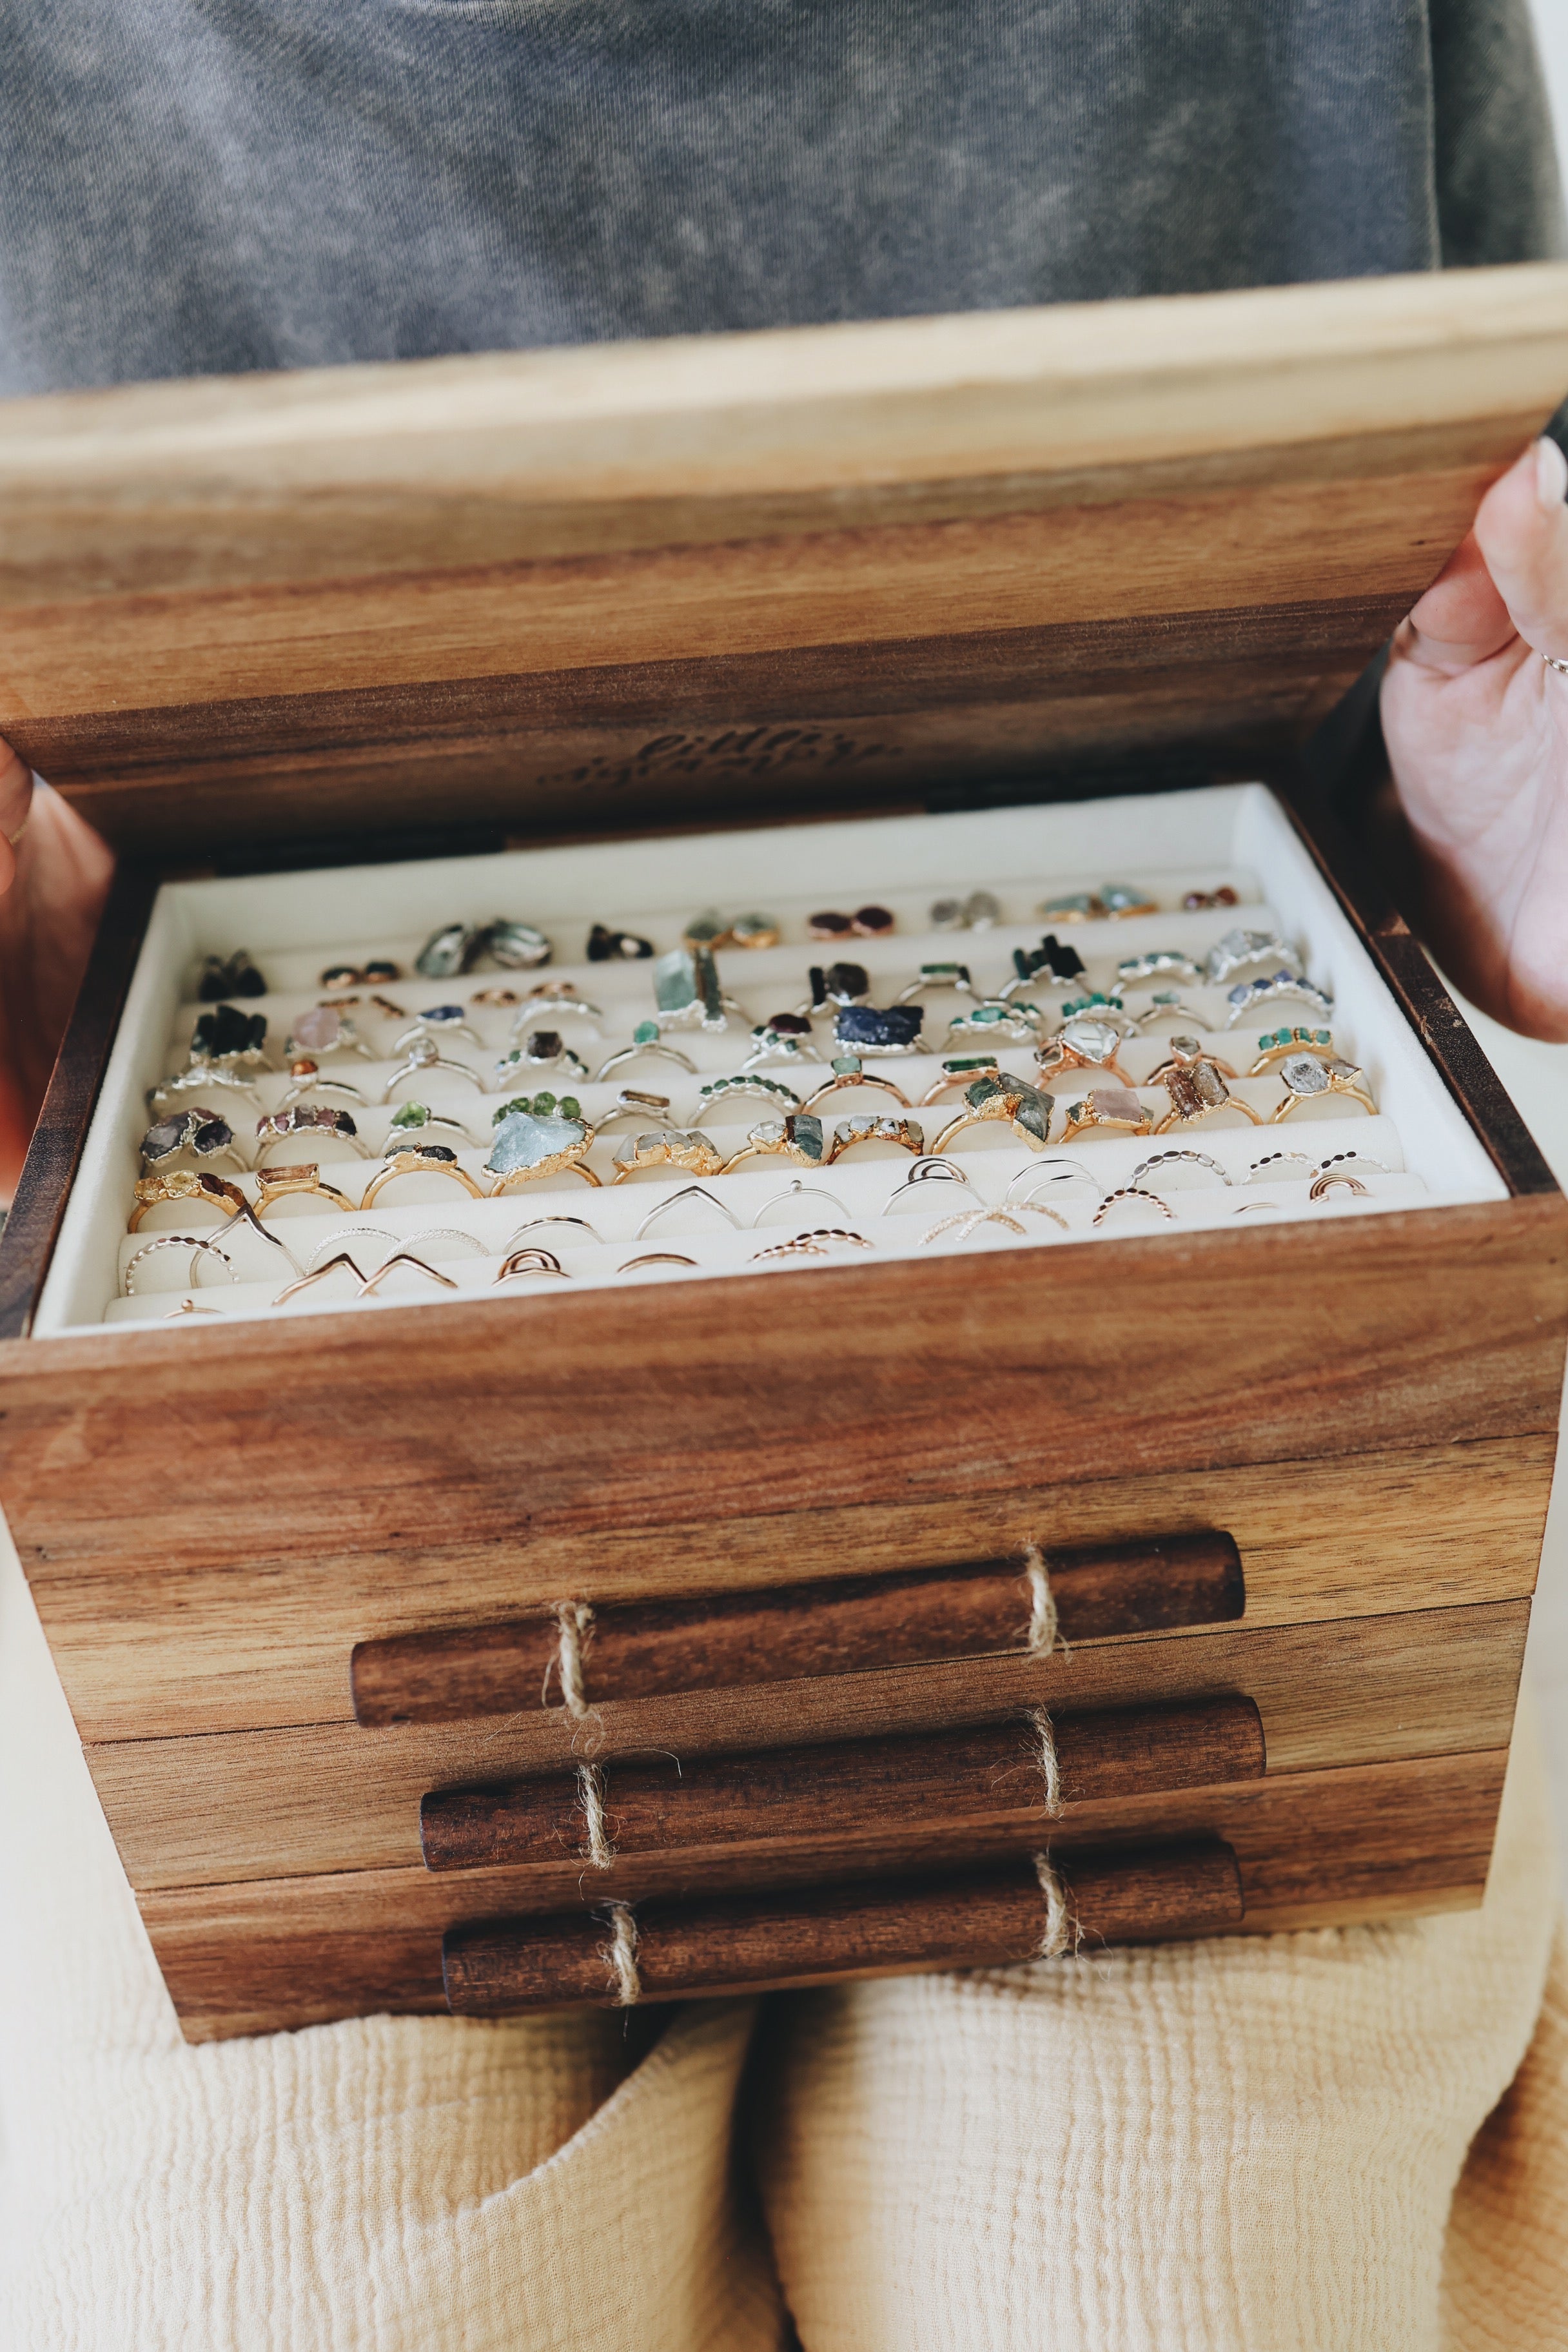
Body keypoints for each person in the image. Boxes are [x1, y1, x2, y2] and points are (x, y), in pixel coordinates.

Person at [0, 6, 1565, 2347]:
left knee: (1168, 2281)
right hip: (291, 1528)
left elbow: (1439, 703)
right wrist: (30, 976)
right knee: (281, 2282)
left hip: (1235, 1443)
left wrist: (1492, 834)